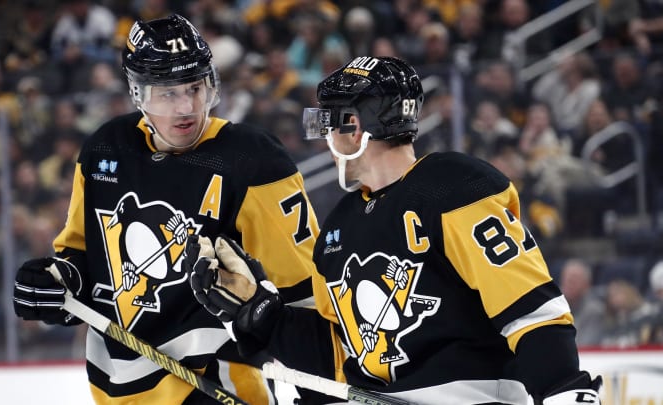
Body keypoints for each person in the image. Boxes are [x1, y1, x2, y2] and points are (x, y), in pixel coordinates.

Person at [186, 56, 603, 404]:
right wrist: (259, 314)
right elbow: (339, 356)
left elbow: (526, 305)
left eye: (331, 122)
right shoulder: (339, 228)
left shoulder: (452, 185)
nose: (324, 138)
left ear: (356, 126)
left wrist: (561, 388)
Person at [12, 14, 321, 405]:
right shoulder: (106, 149)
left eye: (195, 87)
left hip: (221, 389)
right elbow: (85, 259)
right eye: (167, 92)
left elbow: (307, 296)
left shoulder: (253, 159)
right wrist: (55, 285)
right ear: (137, 92)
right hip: (117, 391)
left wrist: (318, 389)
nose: (186, 107)